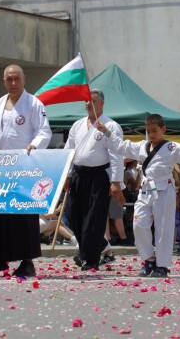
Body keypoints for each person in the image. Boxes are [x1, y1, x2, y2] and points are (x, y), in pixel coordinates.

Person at [96, 114, 180, 277]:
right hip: (145, 190)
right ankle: (149, 259)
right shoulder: (142, 147)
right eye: (148, 131)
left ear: (163, 129)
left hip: (164, 189)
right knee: (139, 224)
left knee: (164, 229)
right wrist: (107, 132)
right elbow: (122, 146)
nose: (151, 134)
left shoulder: (171, 147)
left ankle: (162, 265)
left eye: (154, 131)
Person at [0, 64, 51, 277]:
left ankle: (27, 261)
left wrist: (34, 145)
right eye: (9, 79)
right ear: (4, 81)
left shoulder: (33, 103)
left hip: (22, 167)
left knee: (22, 215)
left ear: (24, 80)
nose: (13, 83)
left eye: (16, 79)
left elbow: (44, 131)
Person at [64, 89, 125, 271]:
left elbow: (116, 154)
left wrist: (115, 182)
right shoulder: (77, 125)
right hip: (78, 176)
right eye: (86, 101)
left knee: (93, 219)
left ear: (102, 103)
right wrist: (66, 176)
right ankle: (93, 249)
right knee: (74, 218)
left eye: (93, 100)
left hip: (99, 177)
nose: (88, 104)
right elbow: (69, 151)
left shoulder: (111, 126)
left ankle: (90, 260)